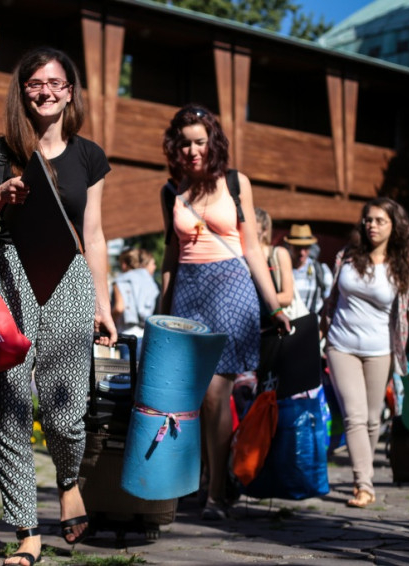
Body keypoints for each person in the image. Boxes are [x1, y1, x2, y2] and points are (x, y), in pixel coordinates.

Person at [0, 46, 116, 566]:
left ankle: (68, 481)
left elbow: (94, 234)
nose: (45, 91)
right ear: (22, 91)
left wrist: (103, 303)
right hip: (9, 275)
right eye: (35, 83)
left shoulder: (89, 156)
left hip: (69, 276)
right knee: (10, 404)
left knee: (66, 411)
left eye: (55, 82)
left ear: (70, 92)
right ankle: (26, 529)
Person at [159, 104, 289, 521]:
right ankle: (204, 478)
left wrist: (274, 305)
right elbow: (170, 256)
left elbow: (252, 248)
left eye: (200, 142)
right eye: (184, 144)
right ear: (175, 148)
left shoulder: (235, 182)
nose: (192, 150)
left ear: (212, 142)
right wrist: (161, 311)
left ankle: (216, 492)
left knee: (217, 395)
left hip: (231, 291)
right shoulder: (172, 190)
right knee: (192, 398)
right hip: (188, 294)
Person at [321, 197, 409, 508]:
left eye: (380, 221)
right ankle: (363, 483)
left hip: (380, 350)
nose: (372, 225)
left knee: (372, 419)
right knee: (355, 416)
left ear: (394, 226)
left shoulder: (404, 267)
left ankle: (364, 474)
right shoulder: (346, 256)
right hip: (341, 345)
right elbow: (332, 300)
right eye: (368, 220)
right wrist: (318, 333)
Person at [111, 247, 159, 357]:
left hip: (127, 335)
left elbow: (119, 307)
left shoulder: (121, 281)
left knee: (127, 367)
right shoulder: (149, 281)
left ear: (124, 264)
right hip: (146, 334)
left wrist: (109, 322)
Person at [285, 224, 333, 317]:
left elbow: (330, 301)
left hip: (313, 322)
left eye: (305, 247)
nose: (302, 252)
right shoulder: (280, 270)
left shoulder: (321, 270)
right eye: (298, 247)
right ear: (290, 246)